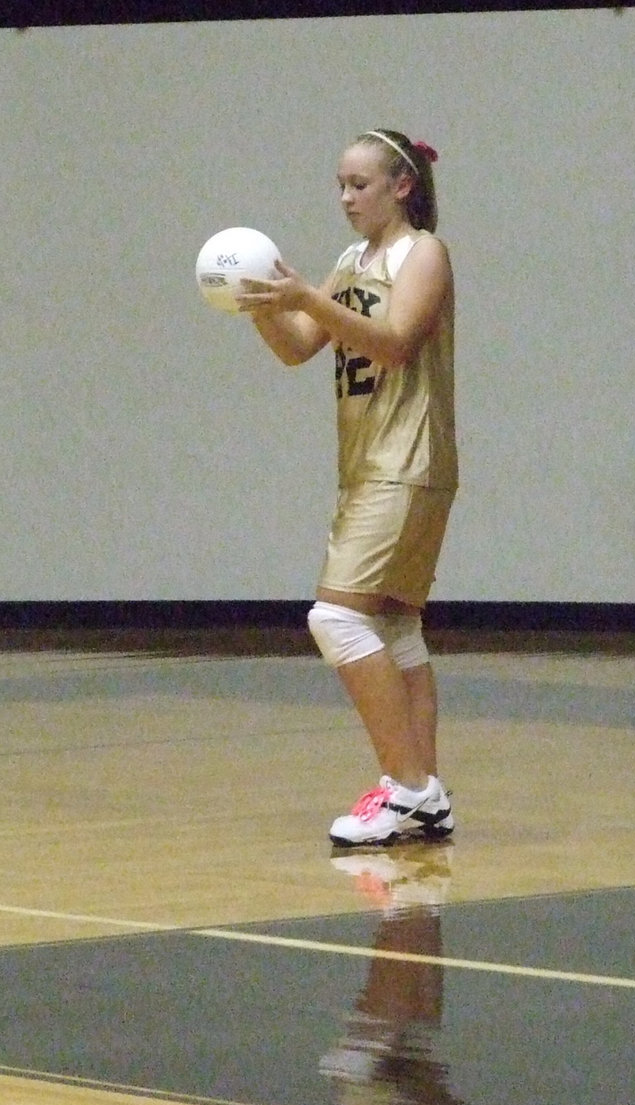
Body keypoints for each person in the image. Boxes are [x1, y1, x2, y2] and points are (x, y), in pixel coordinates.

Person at [239, 128, 457, 847]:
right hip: (369, 465)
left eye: (359, 184)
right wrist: (261, 304)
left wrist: (308, 295)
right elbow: (301, 347)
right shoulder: (349, 262)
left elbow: (394, 342)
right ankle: (428, 795)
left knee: (334, 618)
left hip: (408, 459)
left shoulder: (423, 253)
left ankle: (405, 787)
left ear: (401, 186)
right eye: (339, 185)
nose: (345, 198)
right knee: (394, 628)